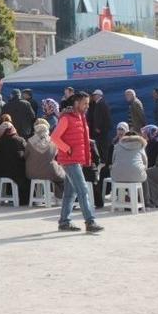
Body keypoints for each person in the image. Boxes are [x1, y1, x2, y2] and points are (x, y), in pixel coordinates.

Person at [51, 92, 103, 232]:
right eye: (85, 103)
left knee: (70, 193)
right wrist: (68, 150)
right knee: (83, 190)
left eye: (88, 103)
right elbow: (55, 137)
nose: (87, 106)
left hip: (75, 159)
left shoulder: (81, 117)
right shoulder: (67, 118)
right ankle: (90, 222)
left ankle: (64, 222)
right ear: (76, 103)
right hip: (70, 160)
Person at [25, 119, 65, 199]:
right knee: (63, 176)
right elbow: (56, 155)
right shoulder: (53, 141)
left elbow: (26, 156)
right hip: (50, 172)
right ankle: (59, 196)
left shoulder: (30, 141)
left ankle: (37, 196)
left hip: (32, 172)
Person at [0, 121, 29, 205]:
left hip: (0, 172)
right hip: (17, 172)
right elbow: (26, 155)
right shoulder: (20, 140)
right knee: (25, 177)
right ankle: (23, 200)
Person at [110, 130, 150, 203]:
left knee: (124, 173)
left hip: (118, 176)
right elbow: (145, 163)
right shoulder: (141, 146)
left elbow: (113, 161)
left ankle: (122, 201)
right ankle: (146, 202)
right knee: (143, 178)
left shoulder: (117, 146)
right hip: (136, 175)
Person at [87, 89, 112, 165]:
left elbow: (100, 117)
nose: (93, 97)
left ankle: (105, 160)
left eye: (95, 95)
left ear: (99, 95)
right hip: (102, 129)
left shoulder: (100, 104)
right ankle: (104, 160)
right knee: (101, 145)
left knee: (103, 145)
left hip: (101, 130)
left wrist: (98, 127)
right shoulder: (100, 103)